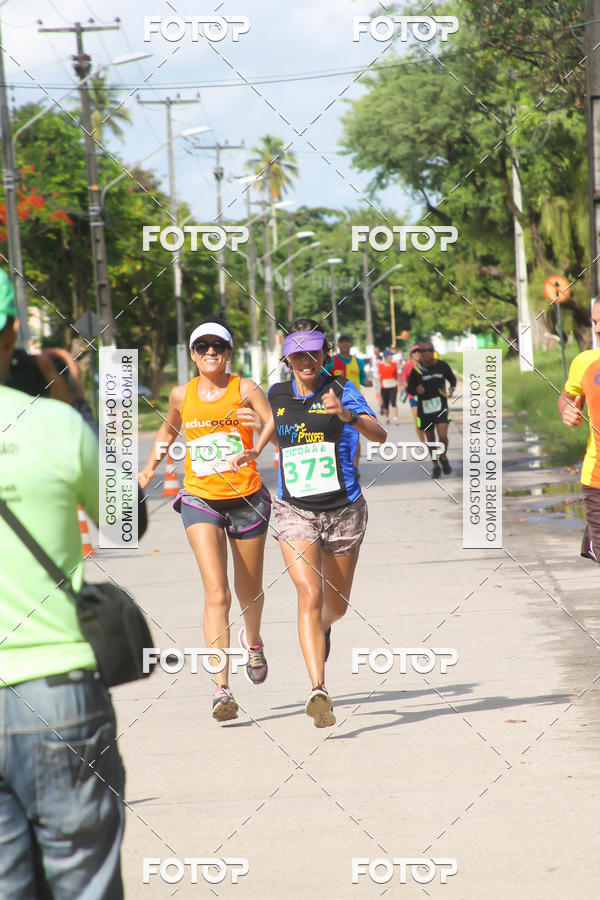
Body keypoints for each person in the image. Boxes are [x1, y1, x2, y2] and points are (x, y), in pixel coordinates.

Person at [0, 274, 127, 896]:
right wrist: (75, 405)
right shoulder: (54, 424)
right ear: (14, 334)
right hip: (60, 697)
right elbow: (125, 517)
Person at [233, 318, 387, 728]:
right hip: (293, 509)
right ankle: (318, 688)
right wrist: (254, 451)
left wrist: (349, 417)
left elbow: (381, 435)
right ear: (286, 358)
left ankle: (321, 630)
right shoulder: (277, 393)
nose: (306, 360)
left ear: (325, 354)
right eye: (298, 354)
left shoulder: (341, 390)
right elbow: (267, 425)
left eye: (313, 352)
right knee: (308, 590)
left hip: (344, 510)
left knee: (335, 606)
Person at [138, 318, 273, 722]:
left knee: (248, 588)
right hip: (200, 497)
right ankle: (221, 688)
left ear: (229, 352)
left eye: (218, 346)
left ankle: (254, 641)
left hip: (246, 496)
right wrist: (150, 468)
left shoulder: (244, 388)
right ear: (193, 354)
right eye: (203, 346)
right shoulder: (182, 393)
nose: (211, 352)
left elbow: (271, 424)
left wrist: (256, 447)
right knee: (216, 592)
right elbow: (168, 429)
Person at [558, 299, 600, 563]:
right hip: (597, 480)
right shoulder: (585, 362)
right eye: (595, 322)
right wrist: (566, 410)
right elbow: (566, 396)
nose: (598, 330)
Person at [406, 341, 456, 478]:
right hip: (425, 409)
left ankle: (443, 457)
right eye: (423, 351)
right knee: (431, 439)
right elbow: (409, 389)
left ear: (433, 351)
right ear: (421, 354)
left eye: (429, 350)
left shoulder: (442, 366)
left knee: (443, 436)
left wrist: (452, 389)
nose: (426, 353)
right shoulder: (417, 370)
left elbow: (452, 379)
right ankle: (435, 465)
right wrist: (416, 390)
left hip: (441, 407)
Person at [326, 333, 372, 476]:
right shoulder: (332, 362)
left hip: (354, 403)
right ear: (338, 345)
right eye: (342, 342)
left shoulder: (357, 362)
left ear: (351, 344)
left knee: (354, 436)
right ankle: (339, 466)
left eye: (347, 342)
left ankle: (354, 467)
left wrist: (368, 383)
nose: (345, 344)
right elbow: (321, 375)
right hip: (336, 402)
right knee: (336, 435)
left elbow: (363, 379)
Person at [402, 344, 423, 439]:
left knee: (427, 421)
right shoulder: (408, 365)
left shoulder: (425, 363)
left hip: (426, 396)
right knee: (418, 421)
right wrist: (411, 390)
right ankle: (423, 443)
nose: (417, 353)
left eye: (418, 351)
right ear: (411, 354)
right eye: (414, 352)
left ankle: (430, 441)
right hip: (413, 397)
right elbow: (405, 380)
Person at [377, 349, 400, 425]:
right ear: (386, 357)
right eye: (390, 356)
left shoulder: (394, 365)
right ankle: (386, 417)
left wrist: (399, 385)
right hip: (384, 387)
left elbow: (396, 376)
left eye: (391, 356)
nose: (391, 357)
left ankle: (395, 418)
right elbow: (379, 377)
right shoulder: (381, 366)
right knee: (385, 403)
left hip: (393, 386)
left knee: (393, 402)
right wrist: (378, 388)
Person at [370, 346, 383, 414]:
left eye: (377, 351)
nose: (376, 353)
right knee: (379, 392)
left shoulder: (383, 358)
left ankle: (384, 405)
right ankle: (381, 407)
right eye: (375, 352)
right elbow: (371, 366)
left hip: (383, 377)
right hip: (377, 378)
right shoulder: (373, 358)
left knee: (383, 393)